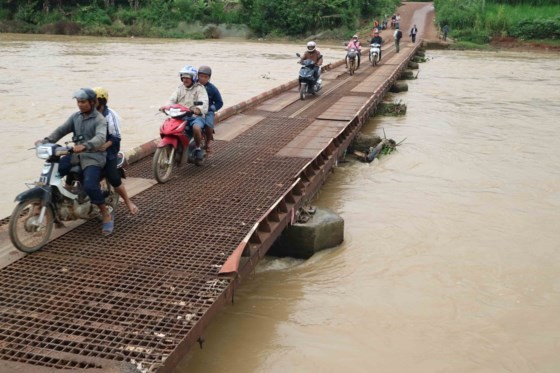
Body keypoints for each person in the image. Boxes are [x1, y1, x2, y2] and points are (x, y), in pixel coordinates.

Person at [35, 88, 114, 235]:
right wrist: (45, 141)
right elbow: (61, 130)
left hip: (93, 157)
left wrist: (85, 145)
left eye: (83, 102)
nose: (80, 105)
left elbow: (100, 137)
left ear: (92, 102)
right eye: (78, 102)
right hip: (75, 156)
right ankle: (54, 207)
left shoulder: (100, 120)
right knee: (51, 175)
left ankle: (105, 214)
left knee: (90, 185)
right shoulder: (75, 117)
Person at [93, 87, 138, 215]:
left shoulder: (110, 115)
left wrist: (105, 146)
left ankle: (128, 202)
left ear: (101, 101)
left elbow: (116, 137)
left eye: (93, 100)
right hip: (92, 150)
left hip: (109, 151)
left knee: (113, 177)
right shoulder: (87, 114)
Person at [163, 65, 209, 161]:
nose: (185, 80)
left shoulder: (200, 88)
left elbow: (204, 102)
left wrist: (198, 109)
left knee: (196, 128)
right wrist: (166, 107)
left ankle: (197, 148)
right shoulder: (179, 88)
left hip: (195, 116)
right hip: (180, 115)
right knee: (167, 127)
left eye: (187, 77)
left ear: (193, 78)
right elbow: (171, 100)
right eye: (183, 77)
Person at [197, 65, 223, 153]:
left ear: (209, 78)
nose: (203, 79)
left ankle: (208, 143)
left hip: (207, 111)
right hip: (195, 110)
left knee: (208, 125)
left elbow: (220, 102)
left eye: (205, 77)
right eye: (201, 76)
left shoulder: (212, 89)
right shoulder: (193, 85)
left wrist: (213, 108)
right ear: (197, 76)